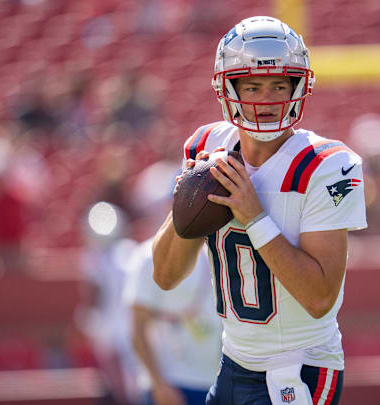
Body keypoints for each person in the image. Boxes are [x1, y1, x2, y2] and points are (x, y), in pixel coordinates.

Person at [151, 16, 367, 405]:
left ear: (298, 86)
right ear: (226, 88)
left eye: (278, 86)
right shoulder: (206, 146)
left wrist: (254, 217)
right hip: (233, 361)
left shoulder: (327, 165)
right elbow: (166, 276)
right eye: (251, 86)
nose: (265, 100)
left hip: (299, 369)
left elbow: (319, 298)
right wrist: (191, 197)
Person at [124, 238, 222, 405]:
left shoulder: (216, 254)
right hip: (173, 384)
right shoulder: (148, 257)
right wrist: (159, 384)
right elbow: (137, 330)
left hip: (214, 382)